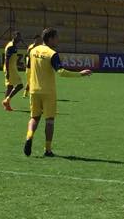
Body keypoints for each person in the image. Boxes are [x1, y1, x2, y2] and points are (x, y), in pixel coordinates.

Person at [23, 28, 92, 157]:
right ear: (50, 39)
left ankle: (29, 136)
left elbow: (29, 69)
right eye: (56, 37)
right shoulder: (52, 53)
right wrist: (80, 74)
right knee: (49, 120)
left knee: (34, 117)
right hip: (48, 92)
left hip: (34, 90)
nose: (58, 40)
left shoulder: (33, 51)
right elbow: (60, 72)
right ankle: (47, 150)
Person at [2, 31, 24, 111]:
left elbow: (12, 58)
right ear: (13, 36)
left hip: (12, 68)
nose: (19, 38)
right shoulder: (11, 46)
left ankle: (6, 105)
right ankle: (7, 100)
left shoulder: (14, 46)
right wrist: (7, 72)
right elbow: (7, 60)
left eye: (20, 37)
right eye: (18, 36)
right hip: (10, 69)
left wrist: (18, 63)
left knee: (10, 86)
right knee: (20, 85)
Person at [22, 33, 41, 99]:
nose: (38, 41)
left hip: (36, 67)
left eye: (39, 39)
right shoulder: (31, 47)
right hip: (29, 67)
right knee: (29, 81)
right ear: (34, 40)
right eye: (37, 39)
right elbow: (27, 55)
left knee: (34, 81)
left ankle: (31, 93)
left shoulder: (40, 48)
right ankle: (27, 92)